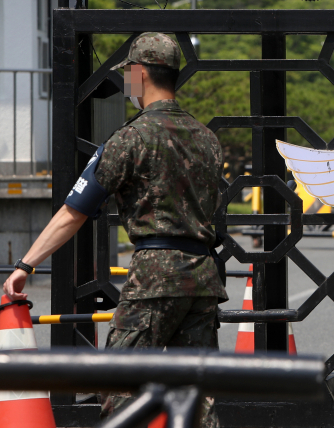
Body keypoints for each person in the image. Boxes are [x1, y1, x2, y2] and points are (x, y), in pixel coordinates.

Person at [2, 32, 227, 427]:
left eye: (128, 74)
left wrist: (26, 264)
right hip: (204, 275)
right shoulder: (207, 139)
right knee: (196, 394)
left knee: (121, 382)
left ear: (140, 74)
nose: (126, 83)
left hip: (156, 275)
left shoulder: (130, 138)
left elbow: (75, 211)